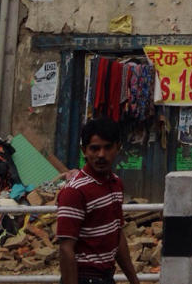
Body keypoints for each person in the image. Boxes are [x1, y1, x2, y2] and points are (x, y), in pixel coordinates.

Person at [56, 118, 139, 284]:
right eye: (95, 148)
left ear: (118, 148)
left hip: (107, 276)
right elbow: (66, 248)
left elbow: (116, 235)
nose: (101, 155)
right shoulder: (75, 191)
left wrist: (134, 280)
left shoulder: (115, 184)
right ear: (84, 151)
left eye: (107, 147)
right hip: (84, 277)